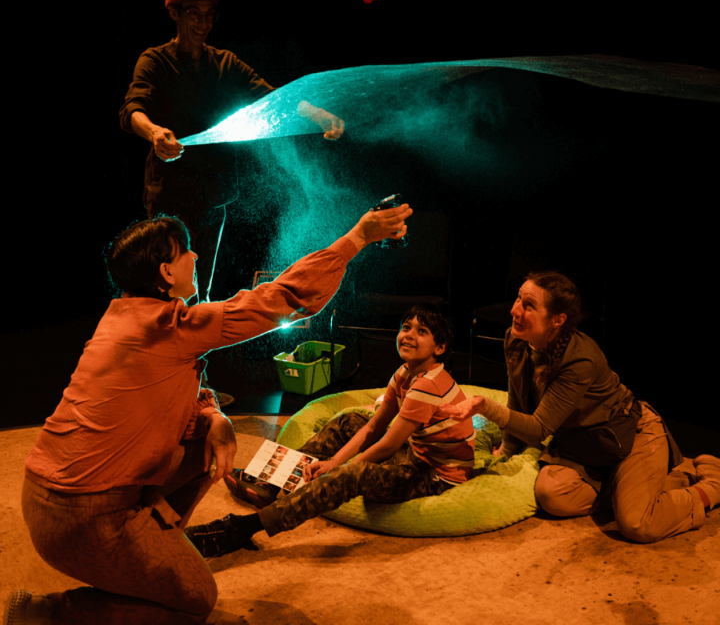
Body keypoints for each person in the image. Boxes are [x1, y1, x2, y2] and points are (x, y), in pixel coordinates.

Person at [5, 203, 411, 625]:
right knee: (197, 599)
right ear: (166, 272)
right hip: (84, 516)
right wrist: (357, 238)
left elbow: (177, 395)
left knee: (203, 442)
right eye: (186, 251)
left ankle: (153, 548)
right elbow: (282, 299)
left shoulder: (121, 316)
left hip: (47, 500)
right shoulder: (170, 326)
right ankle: (47, 613)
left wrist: (216, 417)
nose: (196, 258)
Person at [440, 271, 720, 544]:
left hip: (629, 436)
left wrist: (484, 406)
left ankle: (711, 486)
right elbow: (518, 399)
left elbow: (538, 429)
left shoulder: (579, 359)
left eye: (529, 306)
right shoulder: (516, 339)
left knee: (637, 524)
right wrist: (507, 452)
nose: (515, 310)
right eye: (518, 299)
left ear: (557, 320)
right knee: (551, 494)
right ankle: (636, 488)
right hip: (583, 445)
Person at [119, 0, 344, 304]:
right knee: (166, 289)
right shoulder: (155, 60)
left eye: (209, 15)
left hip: (214, 193)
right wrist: (154, 133)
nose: (203, 22)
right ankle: (166, 351)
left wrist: (317, 113)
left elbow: (272, 97)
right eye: (194, 13)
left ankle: (198, 354)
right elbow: (131, 109)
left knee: (201, 290)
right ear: (175, 14)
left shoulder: (224, 63)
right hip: (171, 194)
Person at [185, 303, 475, 557]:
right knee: (348, 421)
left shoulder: (428, 385)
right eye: (406, 327)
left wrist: (340, 469)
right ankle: (277, 481)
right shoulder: (404, 373)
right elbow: (374, 426)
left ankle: (245, 527)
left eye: (421, 331)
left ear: (440, 348)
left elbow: (387, 444)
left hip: (435, 475)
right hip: (416, 452)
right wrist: (333, 462)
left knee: (353, 474)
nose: (409, 334)